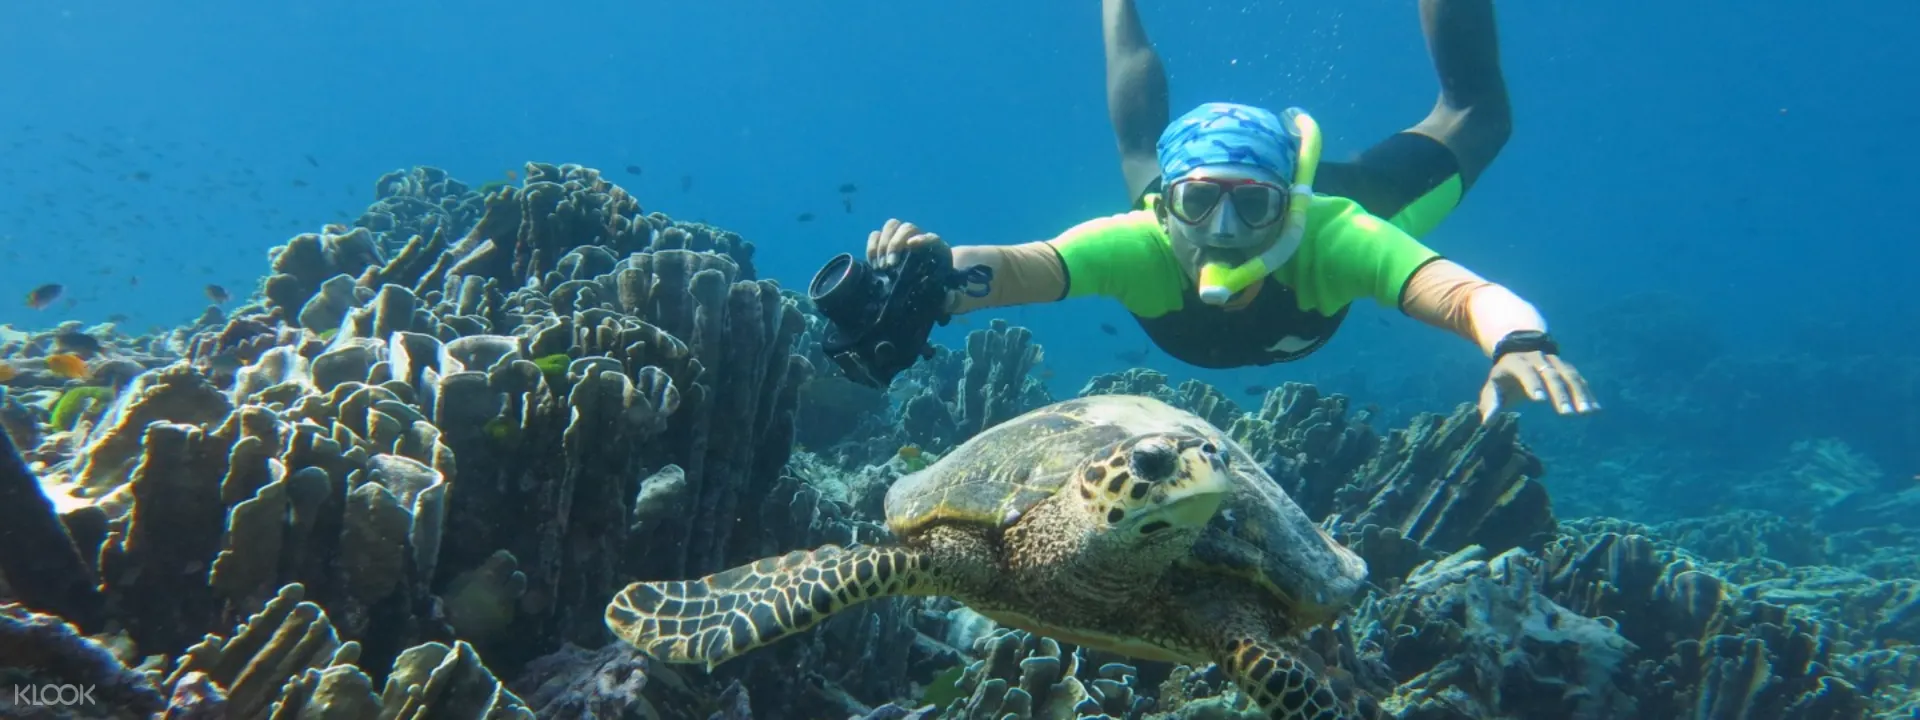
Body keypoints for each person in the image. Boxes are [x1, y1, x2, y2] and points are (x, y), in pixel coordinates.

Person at [853, 0, 1598, 421]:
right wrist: (929, 276)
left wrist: (1517, 340)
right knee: (1140, 148)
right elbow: (1025, 266)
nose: (1223, 230)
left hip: (1347, 194)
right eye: (1199, 202)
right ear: (1170, 208)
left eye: (1253, 207)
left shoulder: (1337, 236)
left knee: (1476, 115)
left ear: (1291, 202)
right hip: (1186, 184)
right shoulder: (1142, 240)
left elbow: (1470, 296)